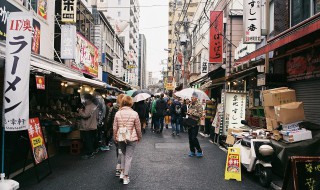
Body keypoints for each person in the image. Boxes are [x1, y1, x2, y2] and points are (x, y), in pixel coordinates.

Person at [113, 95, 142, 185]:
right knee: (128, 157)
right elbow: (138, 128)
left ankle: (122, 172)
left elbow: (115, 127)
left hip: (121, 136)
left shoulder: (118, 113)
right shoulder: (134, 113)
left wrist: (115, 137)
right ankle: (126, 176)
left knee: (123, 154)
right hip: (131, 137)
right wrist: (139, 137)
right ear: (131, 103)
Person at [106, 94, 125, 176]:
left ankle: (119, 165)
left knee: (118, 148)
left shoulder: (113, 108)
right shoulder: (128, 109)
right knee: (124, 150)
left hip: (115, 131)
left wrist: (107, 129)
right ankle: (121, 166)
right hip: (125, 131)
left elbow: (108, 119)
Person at [78, 94, 99, 159]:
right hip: (93, 126)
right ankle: (92, 152)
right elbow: (97, 116)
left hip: (87, 126)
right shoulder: (95, 106)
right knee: (91, 140)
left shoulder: (88, 106)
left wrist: (80, 111)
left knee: (88, 141)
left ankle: (90, 153)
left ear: (88, 99)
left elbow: (85, 115)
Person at [187, 92, 204, 157]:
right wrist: (188, 113)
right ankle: (192, 151)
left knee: (194, 138)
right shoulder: (191, 104)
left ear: (196, 98)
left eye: (193, 97)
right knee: (190, 138)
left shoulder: (199, 105)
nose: (191, 98)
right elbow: (189, 112)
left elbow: (200, 114)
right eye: (191, 97)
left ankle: (199, 150)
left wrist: (192, 113)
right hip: (189, 123)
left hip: (195, 123)